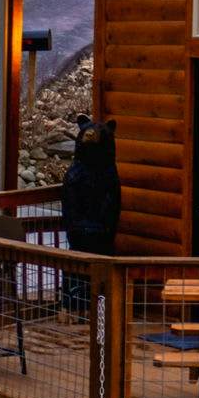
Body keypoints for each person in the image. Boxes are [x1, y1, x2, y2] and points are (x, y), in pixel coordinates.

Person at [59, 114, 118, 314]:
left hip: (95, 231)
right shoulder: (94, 172)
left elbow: (112, 204)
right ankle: (78, 306)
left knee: (85, 266)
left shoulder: (81, 172)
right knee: (83, 266)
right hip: (86, 231)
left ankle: (87, 307)